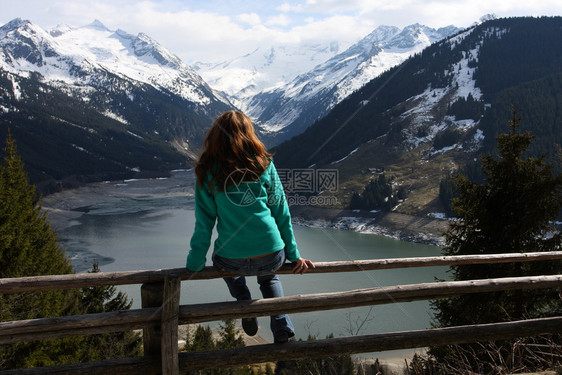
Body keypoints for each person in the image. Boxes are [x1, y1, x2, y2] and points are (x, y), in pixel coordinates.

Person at [186, 110, 314, 344]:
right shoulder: (264, 164)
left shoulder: (207, 171)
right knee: (269, 279)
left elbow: (204, 222)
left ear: (215, 137)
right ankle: (282, 326)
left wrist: (195, 262)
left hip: (231, 258)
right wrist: (294, 255)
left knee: (222, 264)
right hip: (271, 253)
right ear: (249, 135)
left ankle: (245, 304)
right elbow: (281, 213)